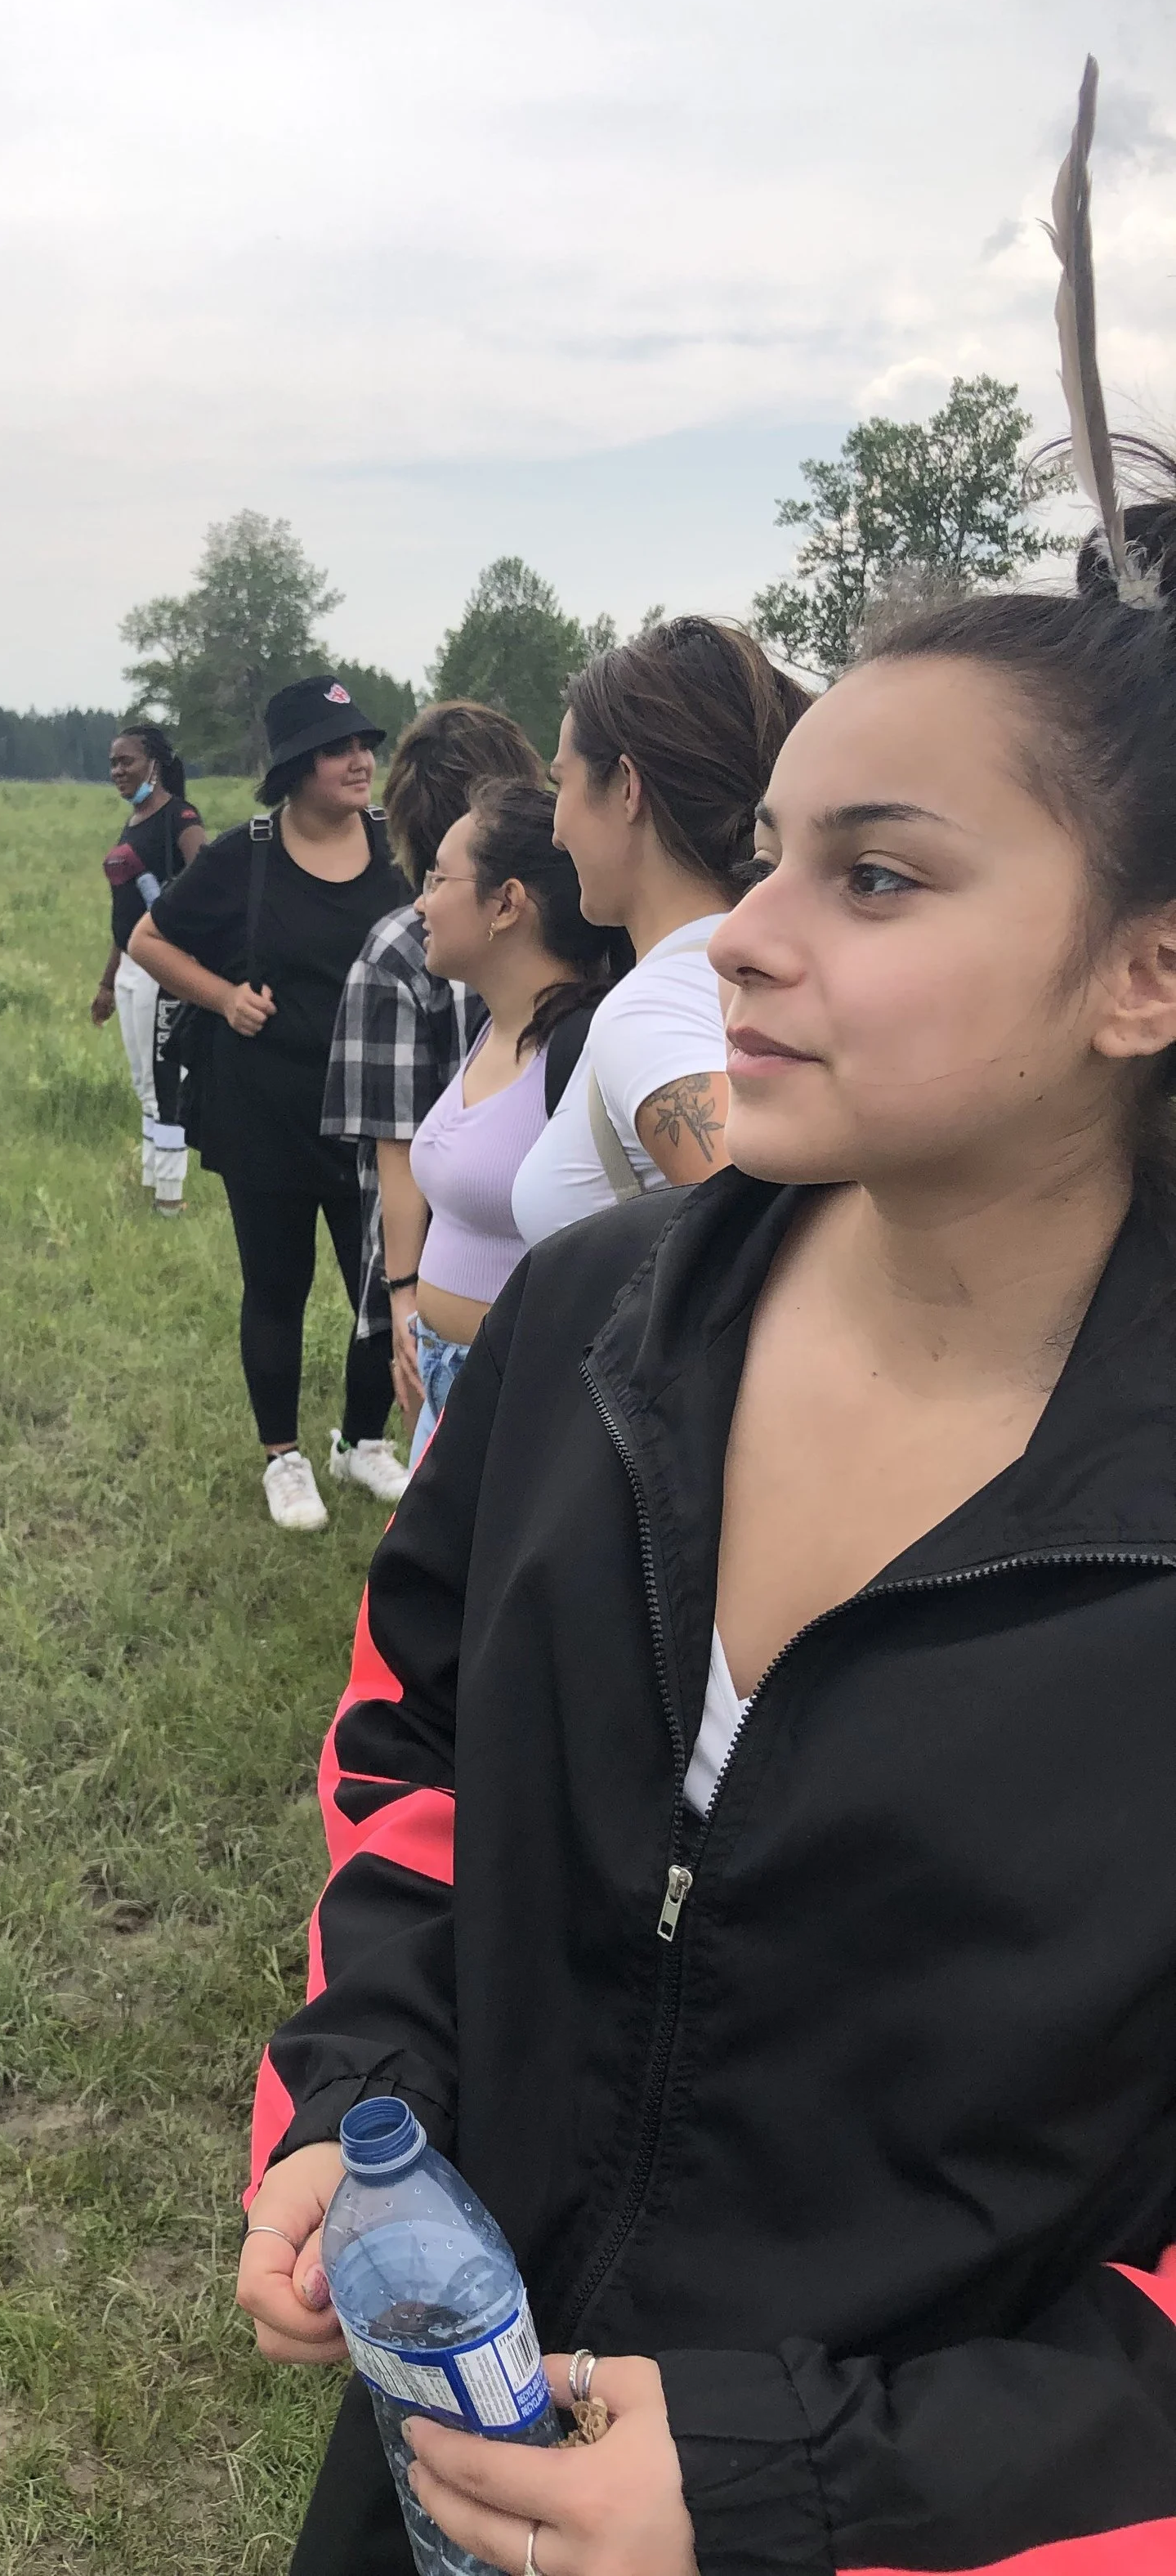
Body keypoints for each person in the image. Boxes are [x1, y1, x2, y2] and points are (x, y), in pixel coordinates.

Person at [237, 576, 1176, 2575]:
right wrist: (358, 2098)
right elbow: (415, 1756)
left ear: (1146, 972)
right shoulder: (601, 1321)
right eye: (768, 859)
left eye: (879, 878)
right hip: (442, 2457)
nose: (745, 937)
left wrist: (796, 2479)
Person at [128, 677, 412, 1532]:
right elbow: (147, 940)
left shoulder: (396, 849)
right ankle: (282, 1457)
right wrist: (221, 997)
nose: (360, 759)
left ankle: (361, 1441)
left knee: (379, 1280)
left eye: (364, 743)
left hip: (377, 1113)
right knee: (277, 1286)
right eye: (337, 748)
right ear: (295, 766)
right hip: (267, 1111)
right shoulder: (244, 854)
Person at [508, 619, 810, 1246]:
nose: (556, 830)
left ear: (625, 787)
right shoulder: (779, 969)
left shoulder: (651, 1009)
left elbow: (764, 1244)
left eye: (560, 782)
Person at [323, 701, 544, 1427]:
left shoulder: (393, 950)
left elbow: (395, 1147)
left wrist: (403, 1289)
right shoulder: (581, 943)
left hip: (454, 1270)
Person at [397, 783, 623, 1459]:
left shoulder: (587, 1050)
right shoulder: (493, 1028)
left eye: (438, 877)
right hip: (442, 1383)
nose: (420, 900)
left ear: (506, 903)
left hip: (517, 1406)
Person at [90, 724, 204, 1215]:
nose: (118, 771)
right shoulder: (134, 822)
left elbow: (208, 887)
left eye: (127, 761)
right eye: (113, 763)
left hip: (165, 968)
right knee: (143, 1082)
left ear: (154, 764)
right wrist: (107, 980)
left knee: (165, 1080)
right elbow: (123, 918)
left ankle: (171, 1197)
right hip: (132, 970)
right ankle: (150, 1180)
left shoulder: (181, 817)